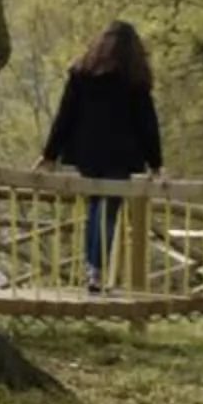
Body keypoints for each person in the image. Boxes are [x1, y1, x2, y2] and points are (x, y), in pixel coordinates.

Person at [38, 21, 163, 292]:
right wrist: (156, 164)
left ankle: (92, 269)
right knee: (106, 210)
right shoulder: (134, 80)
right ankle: (94, 270)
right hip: (120, 153)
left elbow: (65, 116)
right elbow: (147, 124)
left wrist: (50, 154)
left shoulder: (82, 74)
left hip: (88, 152)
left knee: (97, 207)